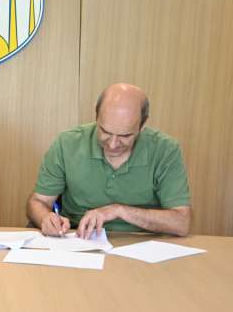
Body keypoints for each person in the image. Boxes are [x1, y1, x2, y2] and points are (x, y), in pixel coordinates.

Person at [27, 83, 191, 238]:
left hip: (144, 243)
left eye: (125, 136)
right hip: (79, 239)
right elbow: (38, 201)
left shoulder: (165, 150)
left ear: (142, 125)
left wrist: (118, 210)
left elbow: (182, 223)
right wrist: (45, 218)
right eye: (105, 132)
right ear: (96, 116)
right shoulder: (67, 144)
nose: (112, 144)